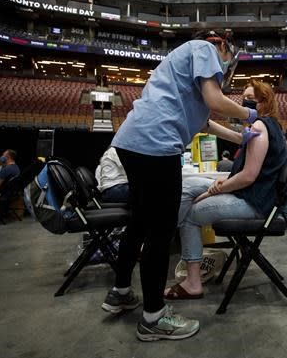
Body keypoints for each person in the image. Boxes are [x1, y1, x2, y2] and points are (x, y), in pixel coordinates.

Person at [103, 29, 259, 342]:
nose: (227, 63)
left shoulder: (182, 65)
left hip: (132, 141)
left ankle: (120, 292)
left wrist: (241, 136)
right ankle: (153, 318)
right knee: (161, 232)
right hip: (156, 144)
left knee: (140, 222)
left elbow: (204, 122)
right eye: (230, 54)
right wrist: (252, 115)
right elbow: (215, 100)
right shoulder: (204, 48)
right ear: (223, 45)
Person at [165, 80, 287, 300]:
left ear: (264, 101)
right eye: (244, 99)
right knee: (188, 186)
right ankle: (174, 233)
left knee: (190, 216)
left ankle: (192, 281)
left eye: (251, 99)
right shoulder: (266, 126)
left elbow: (249, 176)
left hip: (254, 202)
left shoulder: (260, 126)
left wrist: (214, 191)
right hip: (250, 194)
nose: (245, 104)